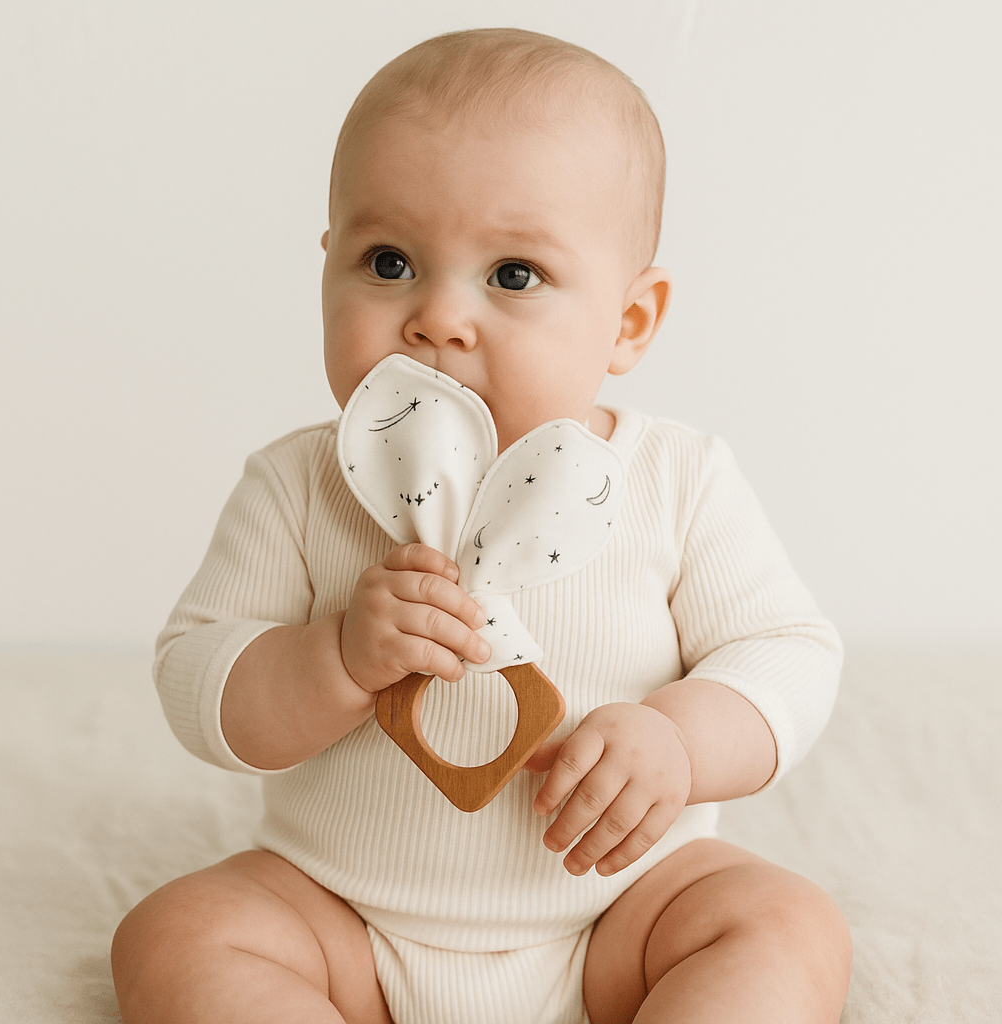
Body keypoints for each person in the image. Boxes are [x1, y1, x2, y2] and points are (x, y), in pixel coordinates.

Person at [111, 26, 852, 1024]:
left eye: (511, 275)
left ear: (629, 321)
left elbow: (790, 655)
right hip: (345, 915)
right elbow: (196, 678)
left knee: (786, 927)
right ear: (326, 268)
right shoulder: (300, 482)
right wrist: (329, 658)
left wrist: (678, 740)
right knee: (176, 934)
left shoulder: (673, 477)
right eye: (388, 261)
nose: (437, 320)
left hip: (618, 914)